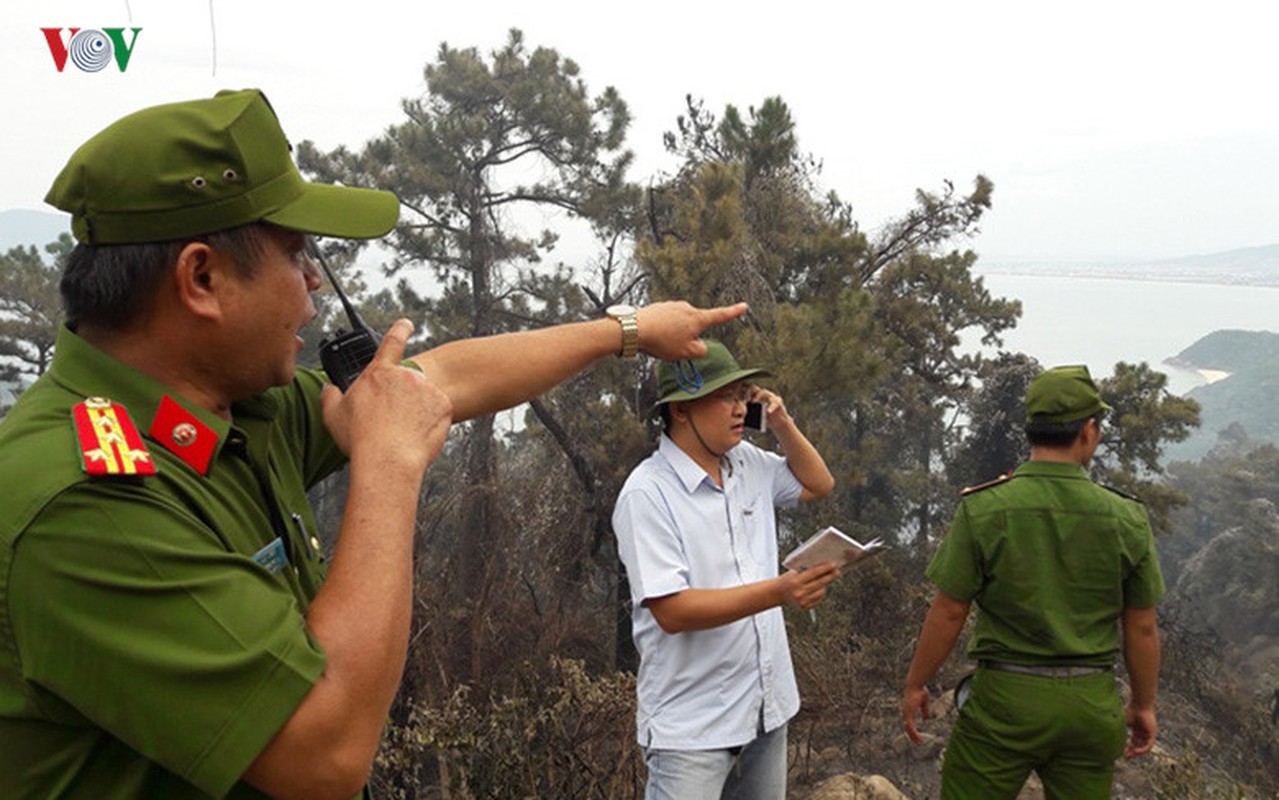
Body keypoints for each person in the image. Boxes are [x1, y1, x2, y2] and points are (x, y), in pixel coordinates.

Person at [0, 88, 747, 800]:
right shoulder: (87, 499)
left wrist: (625, 331)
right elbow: (324, 755)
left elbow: (443, 379)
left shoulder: (223, 409)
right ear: (201, 277)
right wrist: (388, 464)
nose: (313, 288)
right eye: (296, 256)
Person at [900, 364, 1164, 800]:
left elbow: (949, 610)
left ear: (1031, 432)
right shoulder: (1126, 518)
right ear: (1088, 431)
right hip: (1090, 703)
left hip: (1005, 702)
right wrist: (1143, 704)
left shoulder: (985, 508)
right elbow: (1142, 627)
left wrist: (916, 684)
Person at [612, 340, 839, 799]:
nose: (739, 408)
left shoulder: (746, 463)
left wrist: (780, 421)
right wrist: (781, 590)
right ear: (679, 409)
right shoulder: (648, 494)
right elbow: (673, 611)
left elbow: (819, 483)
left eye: (743, 394)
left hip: (765, 712)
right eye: (725, 396)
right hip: (691, 733)